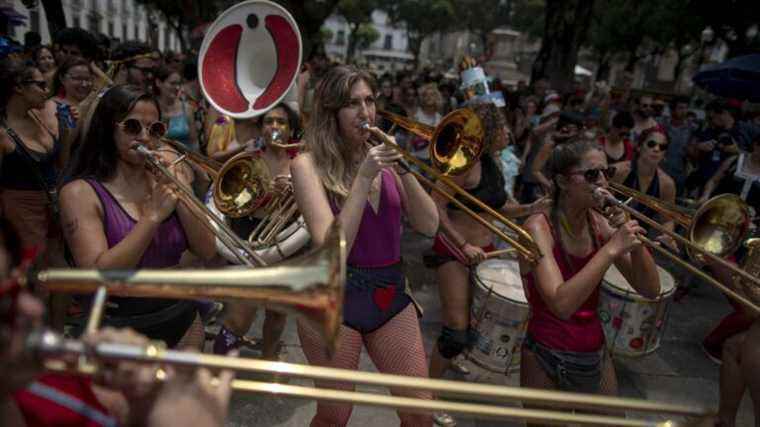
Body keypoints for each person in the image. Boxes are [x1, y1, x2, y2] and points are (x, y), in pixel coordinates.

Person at [291, 65, 439, 426]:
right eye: (352, 103)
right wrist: (363, 179)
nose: (365, 112)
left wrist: (404, 169)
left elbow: (429, 224)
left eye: (370, 101)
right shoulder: (306, 165)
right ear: (331, 112)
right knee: (334, 417)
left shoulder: (385, 161)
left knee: (421, 413)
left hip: (388, 291)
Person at [58, 84, 217, 349]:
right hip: (118, 333)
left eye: (155, 129)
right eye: (132, 127)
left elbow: (207, 248)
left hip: (183, 322)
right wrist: (153, 216)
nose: (144, 136)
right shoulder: (79, 193)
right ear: (108, 128)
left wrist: (182, 191)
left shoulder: (165, 180)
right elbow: (99, 277)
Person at [425, 102, 550, 427]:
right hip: (454, 251)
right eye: (504, 127)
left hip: (485, 252)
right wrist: (462, 244)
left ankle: (453, 364)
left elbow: (499, 207)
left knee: (474, 325)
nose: (509, 132)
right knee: (455, 332)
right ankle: (425, 397)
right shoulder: (463, 163)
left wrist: (529, 208)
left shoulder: (492, 163)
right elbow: (435, 206)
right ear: (491, 129)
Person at [519, 139, 660, 412]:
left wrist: (635, 241)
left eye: (607, 173)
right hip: (545, 353)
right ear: (562, 181)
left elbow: (650, 290)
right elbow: (561, 305)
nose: (603, 183)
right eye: (592, 174)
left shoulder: (599, 223)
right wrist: (611, 250)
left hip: (594, 349)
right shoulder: (538, 226)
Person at [212, 103, 301, 360]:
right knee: (239, 317)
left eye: (281, 122)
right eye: (269, 121)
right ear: (260, 127)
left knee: (277, 313)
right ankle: (217, 372)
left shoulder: (301, 160)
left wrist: (297, 193)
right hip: (250, 235)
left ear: (291, 129)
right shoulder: (249, 157)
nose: (274, 127)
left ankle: (269, 360)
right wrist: (263, 195)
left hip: (288, 239)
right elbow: (230, 202)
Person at [698, 134, 760, 364]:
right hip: (717, 235)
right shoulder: (735, 161)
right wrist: (705, 197)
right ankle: (713, 343)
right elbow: (714, 181)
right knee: (748, 308)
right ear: (756, 145)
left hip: (746, 242)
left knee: (749, 307)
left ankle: (723, 342)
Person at [610, 127, 677, 249]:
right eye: (651, 144)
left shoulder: (667, 184)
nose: (656, 149)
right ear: (639, 146)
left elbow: (668, 220)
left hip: (637, 244)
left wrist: (667, 235)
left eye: (662, 147)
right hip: (609, 233)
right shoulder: (619, 171)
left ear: (664, 154)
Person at [153, 66, 198, 153]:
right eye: (172, 83)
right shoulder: (151, 108)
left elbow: (194, 143)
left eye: (179, 83)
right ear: (158, 83)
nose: (177, 87)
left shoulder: (187, 108)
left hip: (186, 161)